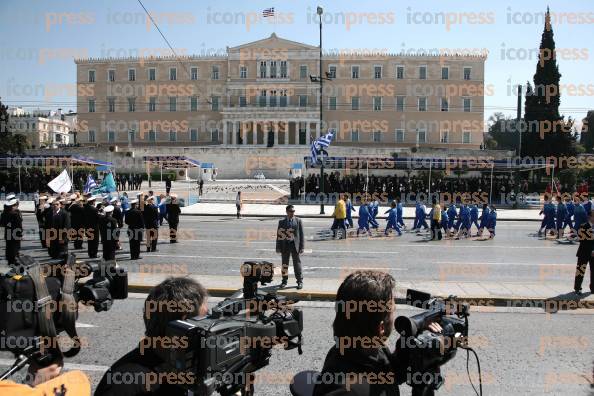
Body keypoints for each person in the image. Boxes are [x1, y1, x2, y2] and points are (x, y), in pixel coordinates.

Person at [313, 270, 442, 396]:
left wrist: (414, 341)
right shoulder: (347, 391)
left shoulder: (360, 349)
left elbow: (394, 373)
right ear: (381, 328)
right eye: (393, 311)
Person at [95, 277, 208, 396]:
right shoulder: (124, 386)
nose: (209, 327)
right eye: (206, 319)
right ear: (182, 329)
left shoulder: (184, 363)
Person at [276, 205, 304, 289]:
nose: (293, 213)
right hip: (285, 245)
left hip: (295, 245)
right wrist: (278, 247)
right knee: (284, 264)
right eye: (291, 211)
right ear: (287, 212)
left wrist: (302, 247)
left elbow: (301, 235)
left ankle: (299, 281)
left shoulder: (298, 221)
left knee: (297, 264)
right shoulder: (282, 222)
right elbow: (279, 236)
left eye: (293, 211)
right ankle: (284, 281)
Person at [574, 209, 594, 294]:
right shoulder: (583, 226)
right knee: (580, 271)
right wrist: (591, 250)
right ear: (589, 217)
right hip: (584, 252)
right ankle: (578, 288)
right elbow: (583, 240)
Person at [3, 198, 22, 265]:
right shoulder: (14, 214)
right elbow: (19, 226)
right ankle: (14, 267)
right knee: (13, 252)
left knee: (11, 252)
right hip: (14, 236)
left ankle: (12, 265)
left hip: (10, 235)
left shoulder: (6, 213)